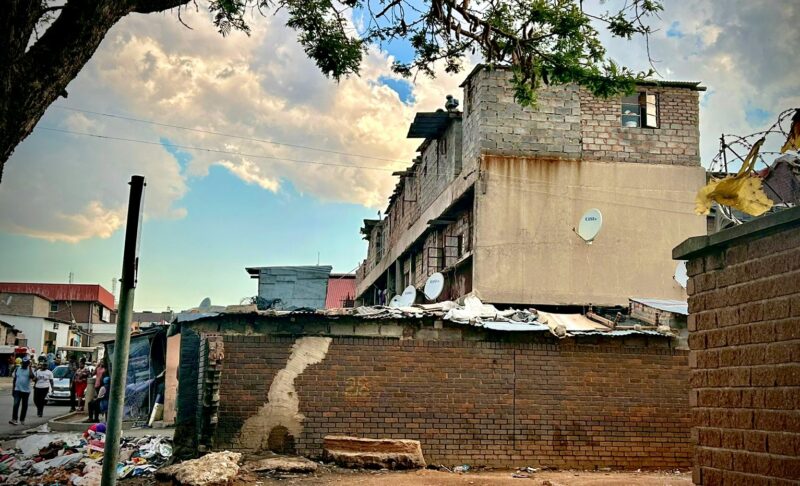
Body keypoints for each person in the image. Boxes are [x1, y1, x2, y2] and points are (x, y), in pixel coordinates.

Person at [9, 356, 34, 425]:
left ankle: (22, 419)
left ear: (28, 363)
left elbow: (32, 377)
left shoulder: (30, 370)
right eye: (23, 363)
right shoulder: (17, 369)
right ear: (22, 363)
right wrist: (13, 390)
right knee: (16, 404)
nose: (24, 364)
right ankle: (14, 419)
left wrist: (30, 367)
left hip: (26, 391)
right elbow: (14, 380)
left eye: (26, 363)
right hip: (17, 390)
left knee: (24, 405)